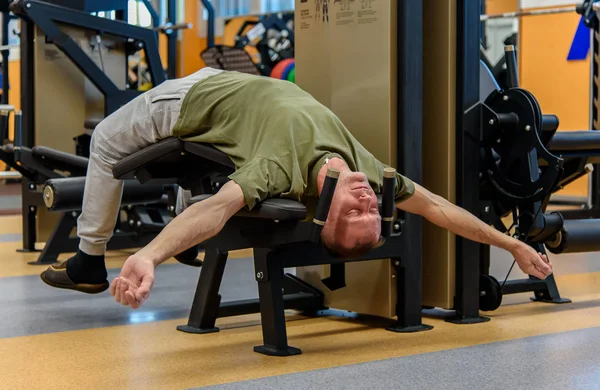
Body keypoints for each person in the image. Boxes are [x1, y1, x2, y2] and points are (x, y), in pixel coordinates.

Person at [39, 67, 553, 309]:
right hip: (242, 82)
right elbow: (440, 208)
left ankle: (89, 258)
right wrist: (512, 244)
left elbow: (216, 210)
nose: (369, 199)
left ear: (324, 215)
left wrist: (148, 255)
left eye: (359, 213)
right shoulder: (369, 170)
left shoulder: (277, 171)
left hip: (195, 97)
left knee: (105, 139)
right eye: (374, 207)